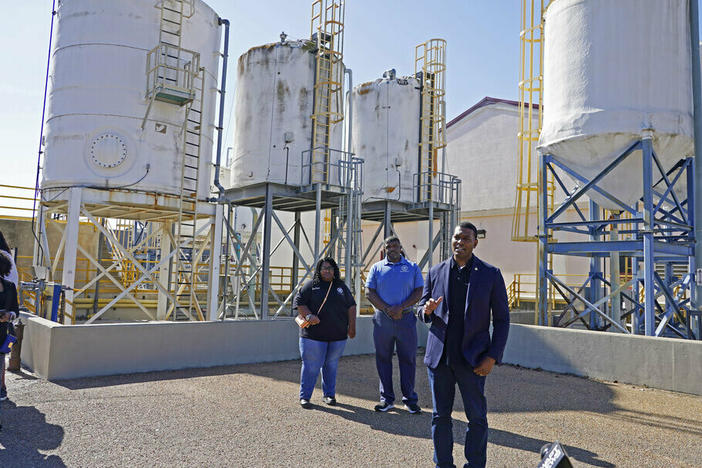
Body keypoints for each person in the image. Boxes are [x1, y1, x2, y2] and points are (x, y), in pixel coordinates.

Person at [419, 221, 510, 468]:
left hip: (473, 360)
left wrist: (492, 357)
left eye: (466, 239)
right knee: (440, 417)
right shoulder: (436, 271)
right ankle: (443, 464)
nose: (460, 242)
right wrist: (425, 311)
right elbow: (422, 309)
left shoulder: (490, 274)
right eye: (457, 238)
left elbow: (502, 320)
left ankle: (475, 464)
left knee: (477, 418)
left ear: (475, 243)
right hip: (440, 359)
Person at [365, 236, 424, 413]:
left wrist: (401, 307)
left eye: (395, 245)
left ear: (400, 247)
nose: (392, 248)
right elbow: (369, 292)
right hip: (383, 320)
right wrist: (387, 309)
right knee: (383, 359)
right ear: (384, 249)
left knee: (408, 359)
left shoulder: (412, 267)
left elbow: (419, 291)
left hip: (406, 319)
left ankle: (409, 399)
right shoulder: (376, 268)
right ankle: (387, 399)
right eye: (389, 246)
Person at [294, 257, 356, 409]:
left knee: (331, 365)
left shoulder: (341, 286)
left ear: (335, 270)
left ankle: (329, 395)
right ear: (319, 270)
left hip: (337, 336)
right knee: (311, 366)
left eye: (330, 268)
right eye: (324, 268)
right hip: (313, 336)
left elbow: (351, 306)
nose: (327, 271)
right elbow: (299, 302)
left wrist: (352, 328)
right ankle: (305, 397)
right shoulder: (311, 285)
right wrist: (309, 316)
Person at [0, 254, 19, 403]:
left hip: (5, 333)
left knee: (2, 359)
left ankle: (1, 388)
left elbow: (15, 311)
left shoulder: (9, 286)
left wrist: (9, 316)